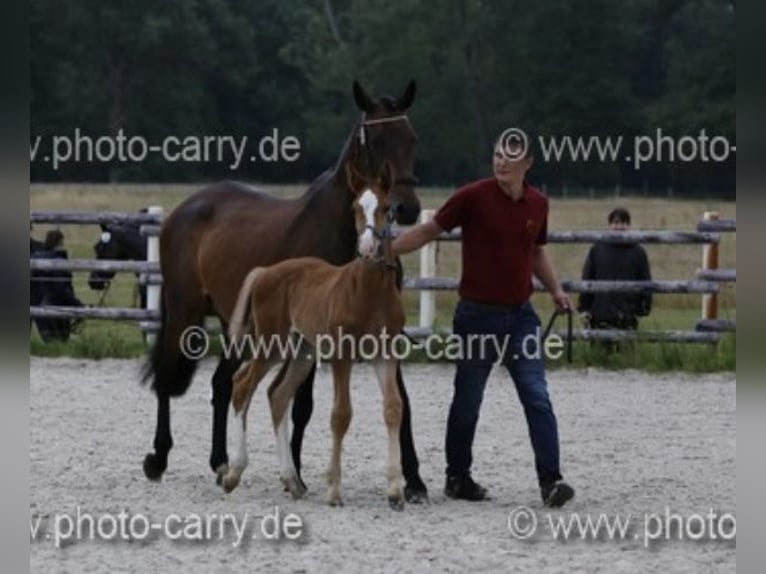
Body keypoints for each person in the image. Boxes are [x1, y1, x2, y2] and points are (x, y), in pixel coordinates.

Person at [391, 132, 575, 508]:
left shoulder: (538, 204)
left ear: (528, 163)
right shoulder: (471, 197)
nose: (501, 162)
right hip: (476, 316)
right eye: (496, 155)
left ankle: (550, 481)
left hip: (521, 318)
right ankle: (457, 476)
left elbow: (536, 251)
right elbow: (429, 230)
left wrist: (555, 290)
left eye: (511, 156)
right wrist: (384, 249)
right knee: (468, 401)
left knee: (537, 396)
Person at [578, 208, 652, 331]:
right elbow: (588, 277)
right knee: (600, 349)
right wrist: (584, 308)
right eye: (615, 223)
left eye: (623, 223)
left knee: (626, 348)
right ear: (609, 225)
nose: (619, 227)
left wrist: (643, 309)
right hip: (600, 312)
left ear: (628, 226)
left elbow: (645, 280)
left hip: (628, 313)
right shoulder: (597, 250)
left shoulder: (638, 252)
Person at [31, 229, 84, 342]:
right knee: (60, 342)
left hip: (41, 308)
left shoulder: (36, 258)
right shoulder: (59, 261)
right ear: (60, 242)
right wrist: (78, 305)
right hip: (58, 310)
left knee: (50, 343)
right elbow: (62, 290)